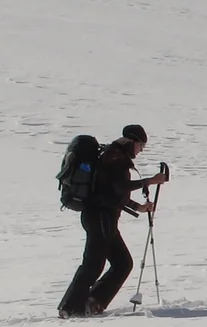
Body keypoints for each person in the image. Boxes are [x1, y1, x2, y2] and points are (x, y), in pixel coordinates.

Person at [60, 124, 168, 316]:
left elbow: (113, 193)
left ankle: (93, 302)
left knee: (122, 263)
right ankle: (70, 307)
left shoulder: (114, 155)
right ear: (132, 141)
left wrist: (139, 207)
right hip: (100, 217)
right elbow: (120, 187)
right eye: (141, 145)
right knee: (93, 264)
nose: (141, 150)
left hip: (103, 218)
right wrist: (149, 181)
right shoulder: (115, 156)